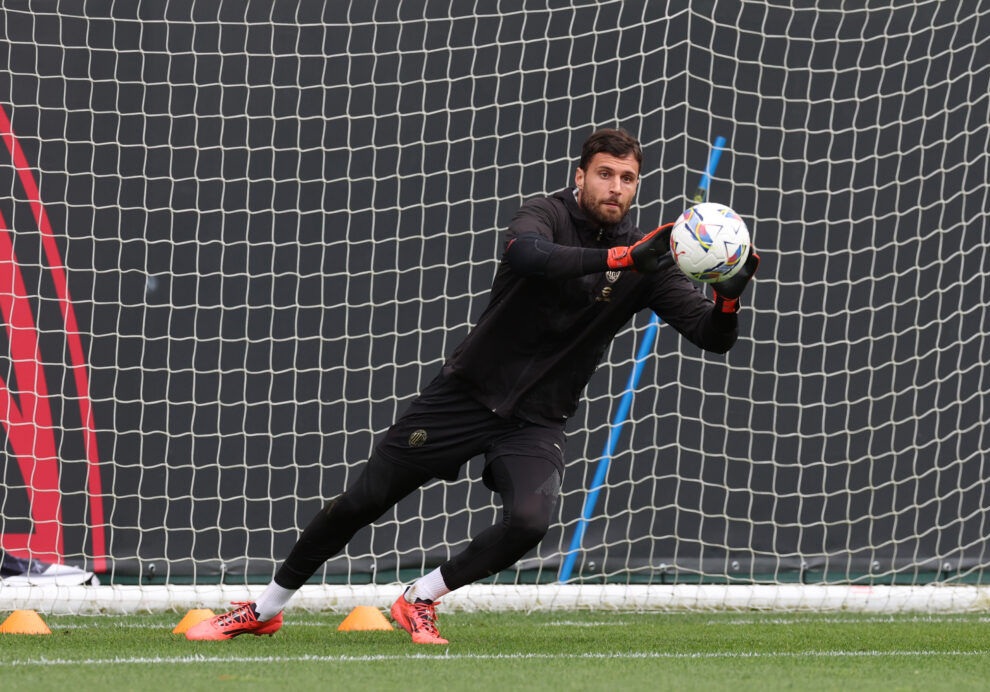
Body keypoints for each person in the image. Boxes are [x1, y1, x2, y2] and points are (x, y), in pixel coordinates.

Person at [186, 128, 758, 644]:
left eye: (627, 179)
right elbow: (529, 256)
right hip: (464, 394)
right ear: (579, 176)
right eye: (604, 174)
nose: (615, 187)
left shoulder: (650, 263)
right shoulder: (546, 215)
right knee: (360, 502)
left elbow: (713, 336)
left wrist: (729, 295)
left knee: (531, 521)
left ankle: (421, 598)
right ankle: (265, 607)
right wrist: (618, 256)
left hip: (537, 419)